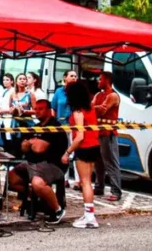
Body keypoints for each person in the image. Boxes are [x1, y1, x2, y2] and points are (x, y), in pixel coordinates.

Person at [7, 99, 68, 223]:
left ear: (49, 110)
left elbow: (39, 149)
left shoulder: (54, 126)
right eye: (35, 109)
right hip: (31, 163)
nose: (36, 112)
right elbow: (24, 147)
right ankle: (39, 199)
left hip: (52, 165)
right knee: (11, 179)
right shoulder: (36, 127)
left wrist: (31, 143)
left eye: (40, 109)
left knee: (37, 183)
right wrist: (31, 142)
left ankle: (57, 209)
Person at [62, 81, 100, 229]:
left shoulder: (78, 112)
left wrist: (67, 152)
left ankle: (90, 216)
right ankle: (89, 213)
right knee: (88, 181)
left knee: (85, 183)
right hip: (94, 146)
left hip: (83, 148)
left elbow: (79, 136)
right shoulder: (90, 109)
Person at [93, 71, 122, 201]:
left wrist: (92, 107)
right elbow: (94, 107)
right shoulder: (99, 94)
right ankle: (99, 187)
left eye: (100, 79)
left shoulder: (113, 96)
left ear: (107, 80)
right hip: (98, 133)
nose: (98, 81)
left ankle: (116, 191)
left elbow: (102, 110)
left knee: (110, 162)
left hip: (108, 133)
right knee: (98, 162)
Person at [0, 74, 15, 149]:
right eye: (4, 80)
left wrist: (4, 111)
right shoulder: (4, 91)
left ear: (12, 81)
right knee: (2, 136)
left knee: (9, 136)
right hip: (1, 117)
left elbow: (13, 106)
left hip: (8, 117)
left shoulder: (13, 91)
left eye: (7, 80)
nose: (5, 82)